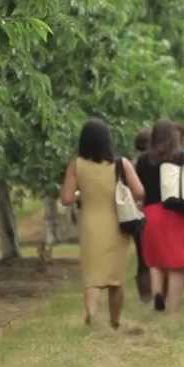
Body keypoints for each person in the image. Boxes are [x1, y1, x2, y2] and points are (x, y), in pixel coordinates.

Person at [60, 118, 145, 329]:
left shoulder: (76, 165)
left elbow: (67, 198)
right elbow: (140, 192)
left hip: (90, 226)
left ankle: (91, 314)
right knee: (116, 279)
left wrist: (82, 194)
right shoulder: (121, 164)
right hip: (118, 226)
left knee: (93, 277)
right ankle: (115, 321)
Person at [134, 120, 184, 314]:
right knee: (176, 265)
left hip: (152, 213)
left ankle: (157, 295)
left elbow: (139, 190)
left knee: (155, 262)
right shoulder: (182, 157)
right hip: (176, 212)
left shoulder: (144, 160)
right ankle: (173, 309)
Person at [132, 127, 153, 304]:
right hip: (152, 209)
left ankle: (145, 294)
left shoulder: (133, 163)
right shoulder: (156, 161)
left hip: (138, 212)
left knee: (142, 257)